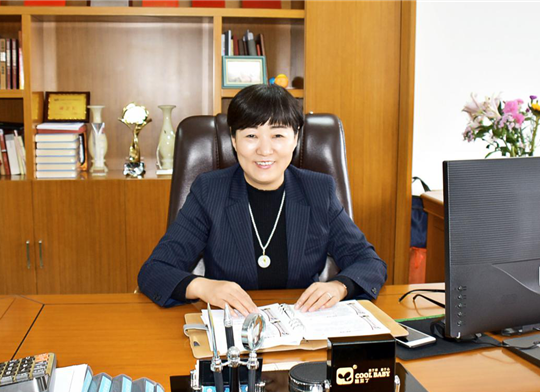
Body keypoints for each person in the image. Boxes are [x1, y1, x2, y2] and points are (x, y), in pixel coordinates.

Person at [138, 84, 387, 315]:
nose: (265, 150)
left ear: (295, 139)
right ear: (234, 140)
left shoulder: (318, 191)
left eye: (277, 135)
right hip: (233, 328)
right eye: (251, 136)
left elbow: (368, 262)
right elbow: (154, 270)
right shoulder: (210, 192)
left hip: (302, 327)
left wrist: (339, 287)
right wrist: (202, 287)